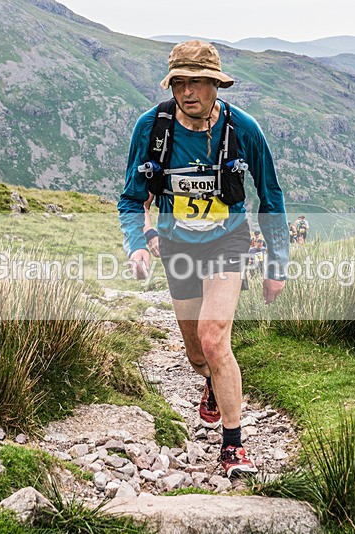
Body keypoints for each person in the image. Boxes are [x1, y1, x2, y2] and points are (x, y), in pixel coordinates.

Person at [118, 40, 289, 477]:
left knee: (214, 339)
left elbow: (270, 197)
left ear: (216, 84)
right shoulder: (151, 129)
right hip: (177, 246)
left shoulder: (243, 129)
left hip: (228, 242)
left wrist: (276, 265)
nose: (187, 91)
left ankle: (233, 446)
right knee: (196, 352)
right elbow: (131, 199)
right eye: (179, 81)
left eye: (197, 81)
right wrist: (137, 243)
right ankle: (211, 381)